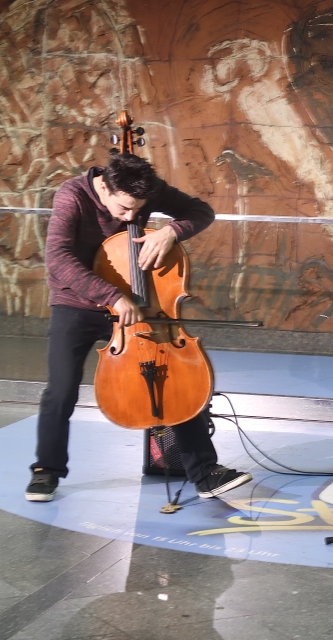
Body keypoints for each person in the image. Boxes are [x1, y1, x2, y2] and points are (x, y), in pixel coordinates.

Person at [29, 153, 252, 502]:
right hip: (77, 303)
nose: (131, 218)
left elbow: (202, 212)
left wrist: (170, 231)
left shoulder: (144, 191)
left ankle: (205, 472)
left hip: (141, 305)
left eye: (139, 210)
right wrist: (111, 296)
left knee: (176, 378)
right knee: (60, 390)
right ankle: (46, 470)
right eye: (123, 210)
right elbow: (57, 258)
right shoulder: (71, 195)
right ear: (104, 187)